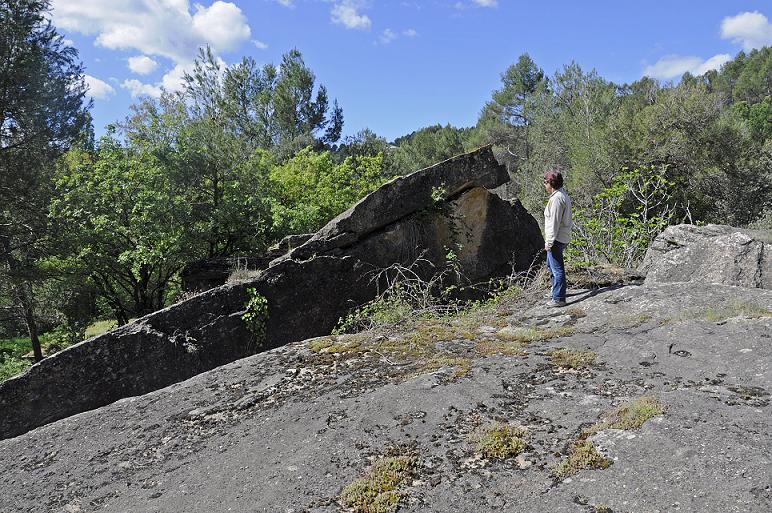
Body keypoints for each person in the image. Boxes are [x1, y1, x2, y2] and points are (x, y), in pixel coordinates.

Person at [543, 170, 572, 307]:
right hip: (561, 237)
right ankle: (556, 292)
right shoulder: (562, 195)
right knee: (552, 266)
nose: (544, 185)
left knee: (557, 269)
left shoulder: (556, 199)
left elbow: (554, 222)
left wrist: (549, 242)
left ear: (551, 183)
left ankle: (559, 298)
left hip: (556, 238)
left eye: (545, 182)